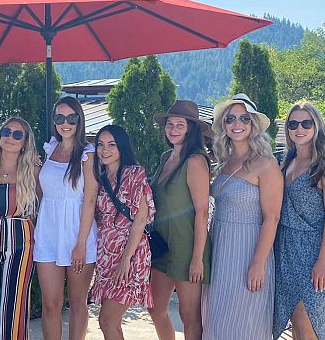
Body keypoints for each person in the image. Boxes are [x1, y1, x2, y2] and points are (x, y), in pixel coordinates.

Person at [203, 93, 282, 339]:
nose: (237, 124)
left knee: (245, 322)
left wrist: (258, 264)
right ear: (224, 125)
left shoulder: (266, 164)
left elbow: (272, 217)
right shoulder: (223, 162)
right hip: (221, 248)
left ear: (253, 125)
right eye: (231, 119)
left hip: (248, 250)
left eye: (244, 119)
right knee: (217, 319)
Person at [273, 102, 325, 340]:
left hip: (314, 250)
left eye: (306, 123)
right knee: (295, 320)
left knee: (309, 323)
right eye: (293, 124)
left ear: (317, 126)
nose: (299, 129)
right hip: (286, 250)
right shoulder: (287, 161)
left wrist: (323, 260)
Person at [147, 100, 213, 340]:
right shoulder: (166, 157)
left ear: (191, 129)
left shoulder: (195, 161)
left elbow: (202, 213)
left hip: (187, 248)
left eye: (180, 125)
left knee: (189, 316)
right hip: (162, 246)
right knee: (155, 309)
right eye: (170, 124)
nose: (173, 129)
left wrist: (197, 259)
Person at [34, 96, 98, 340]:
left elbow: (90, 199)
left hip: (77, 234)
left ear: (79, 119)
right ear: (54, 121)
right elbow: (42, 193)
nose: (65, 123)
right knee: (51, 304)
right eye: (59, 117)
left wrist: (80, 244)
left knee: (78, 303)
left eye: (71, 117)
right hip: (48, 234)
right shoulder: (49, 149)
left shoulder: (87, 154)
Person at [0, 118, 41, 340]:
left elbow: (42, 210)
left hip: (21, 242)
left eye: (17, 134)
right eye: (6, 131)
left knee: (15, 302)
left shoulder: (34, 172)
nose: (10, 137)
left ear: (25, 142)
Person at [91, 125, 155, 340]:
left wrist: (126, 259)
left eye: (111, 145)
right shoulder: (99, 177)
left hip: (130, 254)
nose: (105, 150)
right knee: (110, 323)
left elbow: (140, 220)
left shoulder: (135, 174)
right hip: (106, 255)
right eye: (100, 144)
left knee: (107, 320)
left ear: (122, 147)